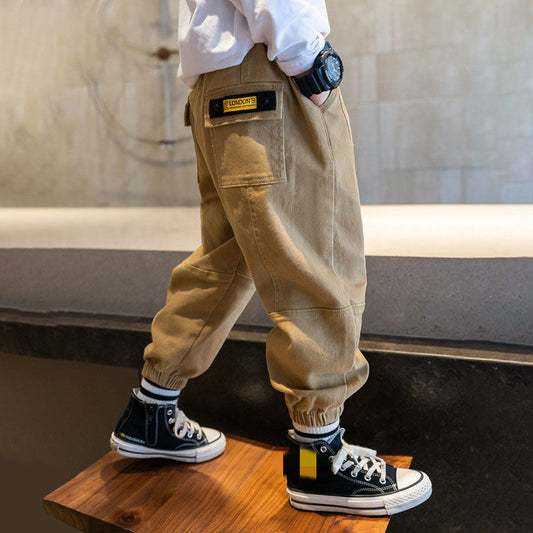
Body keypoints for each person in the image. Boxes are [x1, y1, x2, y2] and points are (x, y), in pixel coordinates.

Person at [110, 0, 432, 517]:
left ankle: (150, 411)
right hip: (270, 75)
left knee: (226, 259)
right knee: (316, 254)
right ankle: (317, 460)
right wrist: (310, 61)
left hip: (214, 88)